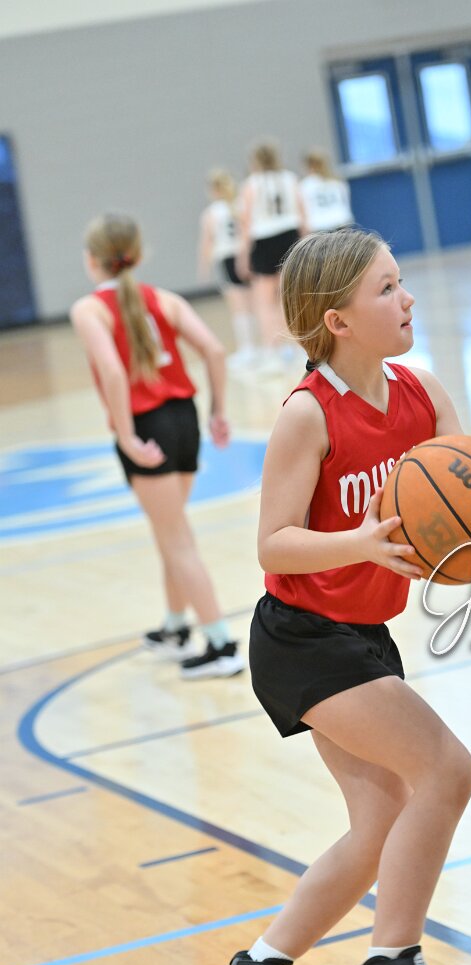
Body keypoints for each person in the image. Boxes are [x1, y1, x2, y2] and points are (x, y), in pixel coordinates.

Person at [218, 228, 471, 965]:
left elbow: (467, 484)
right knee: (447, 769)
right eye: (386, 288)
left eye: (401, 281)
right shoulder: (307, 414)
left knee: (381, 818)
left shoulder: (421, 393)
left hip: (363, 633)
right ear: (338, 321)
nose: (407, 297)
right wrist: (358, 542)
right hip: (301, 637)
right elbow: (273, 544)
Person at [70, 213, 245, 679]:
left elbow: (112, 371)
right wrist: (218, 412)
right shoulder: (164, 299)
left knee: (176, 538)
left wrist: (126, 435)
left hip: (146, 423)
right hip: (184, 418)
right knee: (171, 530)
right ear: (138, 253)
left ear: (92, 260)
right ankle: (175, 627)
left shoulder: (89, 309)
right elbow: (214, 350)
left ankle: (221, 644)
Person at [237, 141, 306, 373]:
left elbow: (246, 223)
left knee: (265, 301)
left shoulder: (250, 184)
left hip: (264, 240)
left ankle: (273, 352)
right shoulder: (290, 179)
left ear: (255, 160)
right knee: (291, 296)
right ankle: (299, 347)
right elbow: (303, 215)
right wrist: (307, 243)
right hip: (290, 236)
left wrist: (243, 255)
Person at [197, 167, 255, 370]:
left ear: (213, 190)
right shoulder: (240, 205)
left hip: (227, 259)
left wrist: (203, 268)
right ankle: (263, 347)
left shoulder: (211, 213)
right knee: (255, 303)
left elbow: (207, 242)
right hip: (246, 255)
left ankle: (248, 349)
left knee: (238, 307)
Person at [300, 149, 355, 233]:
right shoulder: (337, 181)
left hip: (320, 225)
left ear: (310, 165)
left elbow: (305, 210)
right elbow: (345, 204)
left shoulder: (305, 185)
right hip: (341, 221)